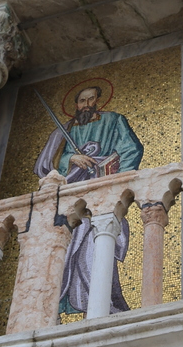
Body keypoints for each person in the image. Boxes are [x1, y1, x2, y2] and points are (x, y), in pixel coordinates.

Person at [33, 85, 144, 316]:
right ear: (75, 104)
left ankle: (100, 306)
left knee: (96, 247)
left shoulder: (114, 121)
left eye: (91, 99)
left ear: (98, 101)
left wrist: (113, 174)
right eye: (82, 101)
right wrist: (72, 159)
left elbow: (131, 148)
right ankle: (58, 308)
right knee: (66, 252)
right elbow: (45, 164)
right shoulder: (64, 131)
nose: (86, 105)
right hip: (71, 201)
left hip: (101, 196)